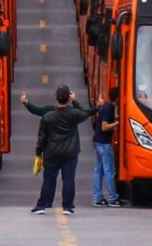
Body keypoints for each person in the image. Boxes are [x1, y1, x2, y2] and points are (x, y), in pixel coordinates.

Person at [32, 85, 94, 215]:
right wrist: (75, 101)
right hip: (70, 152)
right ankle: (67, 206)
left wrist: (38, 153)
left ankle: (43, 204)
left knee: (49, 179)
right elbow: (85, 113)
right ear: (68, 98)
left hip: (52, 152)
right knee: (69, 179)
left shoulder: (48, 117)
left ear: (56, 97)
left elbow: (42, 137)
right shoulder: (73, 114)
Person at [92, 87, 122, 207]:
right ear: (118, 98)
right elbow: (104, 127)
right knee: (109, 170)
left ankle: (98, 197)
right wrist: (117, 123)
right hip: (104, 143)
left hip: (98, 141)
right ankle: (112, 197)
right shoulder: (109, 108)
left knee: (98, 170)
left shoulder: (106, 106)